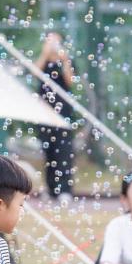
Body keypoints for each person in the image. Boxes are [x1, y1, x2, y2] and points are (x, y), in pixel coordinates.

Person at [34, 32, 76, 203]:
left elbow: (70, 81)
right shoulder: (43, 61)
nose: (53, 45)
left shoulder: (66, 61)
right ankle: (51, 188)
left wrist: (65, 60)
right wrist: (45, 54)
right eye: (49, 41)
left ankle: (65, 189)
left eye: (56, 41)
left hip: (63, 113)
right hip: (44, 112)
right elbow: (35, 73)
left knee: (64, 150)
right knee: (48, 150)